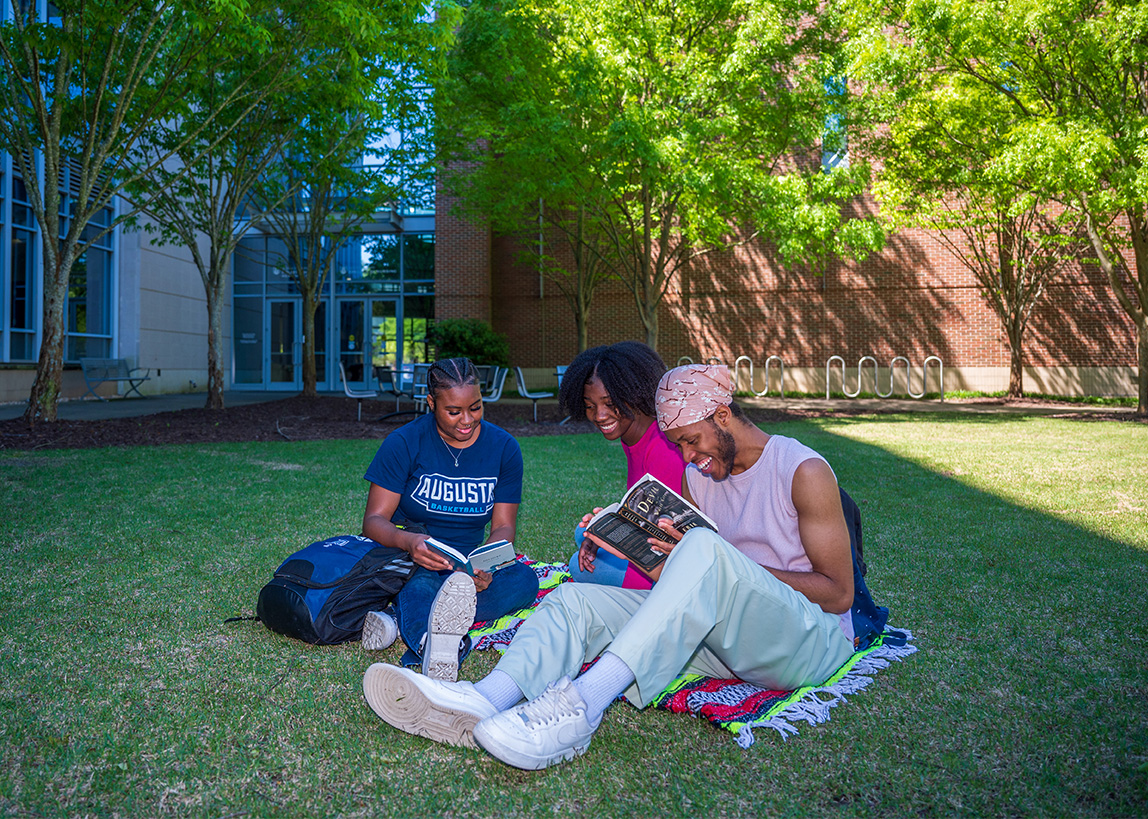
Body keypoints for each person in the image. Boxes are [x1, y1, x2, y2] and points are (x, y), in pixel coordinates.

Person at [361, 363, 889, 768]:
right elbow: (681, 592)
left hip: (807, 643)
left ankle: (583, 708)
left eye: (692, 441)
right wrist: (637, 547)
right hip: (727, 645)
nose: (688, 458)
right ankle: (483, 698)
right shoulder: (702, 477)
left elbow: (839, 594)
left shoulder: (802, 470)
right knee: (574, 597)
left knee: (705, 552)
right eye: (680, 446)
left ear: (722, 416)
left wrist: (718, 564)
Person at [358, 357, 539, 682]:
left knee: (525, 581)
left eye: (476, 407)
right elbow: (373, 521)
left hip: (468, 566)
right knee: (419, 585)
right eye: (454, 411)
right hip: (416, 558)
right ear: (431, 403)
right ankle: (434, 646)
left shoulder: (504, 448)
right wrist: (409, 542)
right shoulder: (404, 443)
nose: (467, 420)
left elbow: (503, 527)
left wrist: (487, 565)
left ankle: (399, 619)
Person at [558, 342, 686, 590]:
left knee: (577, 565)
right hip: (648, 548)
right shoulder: (634, 437)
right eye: (590, 405)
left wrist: (610, 538)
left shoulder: (662, 449)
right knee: (583, 532)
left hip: (664, 570)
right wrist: (602, 532)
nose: (599, 415)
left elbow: (665, 540)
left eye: (609, 403)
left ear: (634, 394)